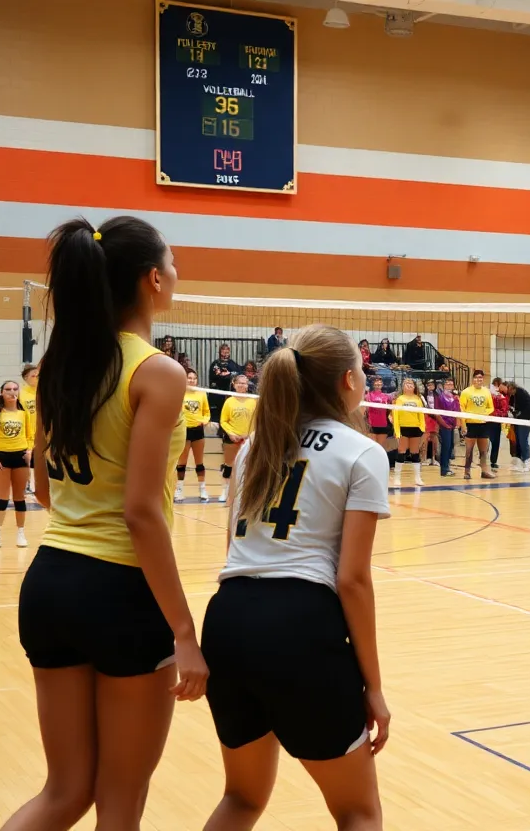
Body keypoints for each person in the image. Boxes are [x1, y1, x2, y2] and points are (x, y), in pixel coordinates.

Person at [6, 216, 207, 830]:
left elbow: (42, 487)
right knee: (119, 803)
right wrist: (184, 632)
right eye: (172, 262)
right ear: (153, 279)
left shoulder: (62, 366)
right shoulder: (158, 372)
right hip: (121, 592)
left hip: (48, 585)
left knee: (64, 792)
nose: (177, 272)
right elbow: (141, 512)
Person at [201, 324, 390, 830]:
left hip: (228, 619)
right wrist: (372, 685)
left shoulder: (253, 445)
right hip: (299, 628)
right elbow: (352, 580)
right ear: (349, 380)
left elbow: (232, 551)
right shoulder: (362, 451)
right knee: (358, 811)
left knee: (241, 800)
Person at [0, 380, 33, 548]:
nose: (12, 392)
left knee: (19, 498)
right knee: (2, 497)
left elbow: (30, 435)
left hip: (20, 456)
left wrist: (29, 451)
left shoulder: (24, 413)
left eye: (15, 389)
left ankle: (21, 534)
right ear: (1, 393)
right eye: (8, 389)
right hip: (1, 456)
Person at [216, 374, 256, 506]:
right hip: (232, 438)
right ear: (234, 384)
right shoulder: (229, 401)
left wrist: (249, 434)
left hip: (248, 439)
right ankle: (226, 491)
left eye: (244, 383)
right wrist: (231, 433)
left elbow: (256, 421)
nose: (242, 385)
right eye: (239, 383)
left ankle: (245, 493)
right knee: (229, 465)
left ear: (248, 385)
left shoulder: (253, 401)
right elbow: (223, 421)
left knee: (247, 466)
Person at [177, 369, 211, 502]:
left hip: (198, 431)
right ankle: (179, 489)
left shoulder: (201, 394)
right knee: (182, 463)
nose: (192, 380)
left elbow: (206, 412)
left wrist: (205, 420)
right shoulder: (180, 393)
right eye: (189, 378)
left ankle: (202, 488)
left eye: (194, 378)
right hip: (184, 430)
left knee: (199, 463)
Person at [459, 370, 495, 481]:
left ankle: (484, 471)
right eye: (476, 377)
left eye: (481, 378)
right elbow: (461, 409)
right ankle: (467, 472)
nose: (478, 380)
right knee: (469, 450)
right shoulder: (466, 392)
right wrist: (463, 425)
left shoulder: (486, 392)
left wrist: (485, 413)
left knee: (483, 450)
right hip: (471, 423)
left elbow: (491, 407)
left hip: (483, 424)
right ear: (473, 379)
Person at [390, 377, 426, 488]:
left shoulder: (418, 399)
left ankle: (417, 478)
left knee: (415, 452)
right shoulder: (400, 399)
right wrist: (397, 430)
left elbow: (421, 415)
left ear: (414, 387)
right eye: (407, 383)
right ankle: (397, 478)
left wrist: (422, 428)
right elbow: (395, 416)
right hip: (403, 428)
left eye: (411, 383)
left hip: (415, 428)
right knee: (401, 452)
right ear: (403, 387)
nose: (409, 385)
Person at [505, 379, 530, 473]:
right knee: (517, 441)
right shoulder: (513, 396)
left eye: (509, 389)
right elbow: (512, 407)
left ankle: (527, 462)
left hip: (525, 421)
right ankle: (519, 463)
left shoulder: (521, 393)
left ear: (512, 388)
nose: (508, 392)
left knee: (523, 440)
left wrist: (519, 415)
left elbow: (529, 407)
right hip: (518, 421)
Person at [434, 378, 461, 477]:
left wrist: (457, 423)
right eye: (447, 384)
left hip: (452, 426)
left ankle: (447, 466)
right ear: (444, 386)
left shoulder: (454, 398)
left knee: (450, 447)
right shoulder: (440, 397)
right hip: (444, 425)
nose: (449, 386)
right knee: (445, 447)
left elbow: (457, 410)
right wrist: (444, 424)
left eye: (451, 384)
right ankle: (444, 469)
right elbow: (437, 413)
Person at [209, 343, 241, 422]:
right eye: (223, 350)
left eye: (227, 350)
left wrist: (229, 374)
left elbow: (239, 372)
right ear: (220, 352)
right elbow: (219, 376)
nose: (225, 352)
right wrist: (228, 375)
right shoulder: (216, 364)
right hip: (218, 394)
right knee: (218, 416)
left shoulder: (232, 363)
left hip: (230, 393)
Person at [20, 364, 38, 494]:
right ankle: (26, 485)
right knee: (27, 461)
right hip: (26, 435)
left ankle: (40, 485)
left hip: (43, 434)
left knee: (42, 463)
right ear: (26, 377)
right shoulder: (20, 394)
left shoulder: (44, 391)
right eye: (33, 375)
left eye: (38, 374)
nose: (37, 377)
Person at [363, 375, 392, 448]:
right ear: (373, 385)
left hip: (383, 425)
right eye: (376, 384)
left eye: (379, 384)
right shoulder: (368, 396)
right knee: (371, 447)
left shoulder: (386, 397)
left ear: (382, 385)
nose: (378, 385)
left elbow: (389, 410)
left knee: (380, 447)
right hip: (371, 424)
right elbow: (365, 409)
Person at [489, 377, 509, 471]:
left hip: (493, 421)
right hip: (489, 420)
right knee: (492, 442)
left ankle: (492, 461)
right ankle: (491, 461)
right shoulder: (488, 394)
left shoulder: (502, 397)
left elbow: (504, 411)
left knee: (495, 442)